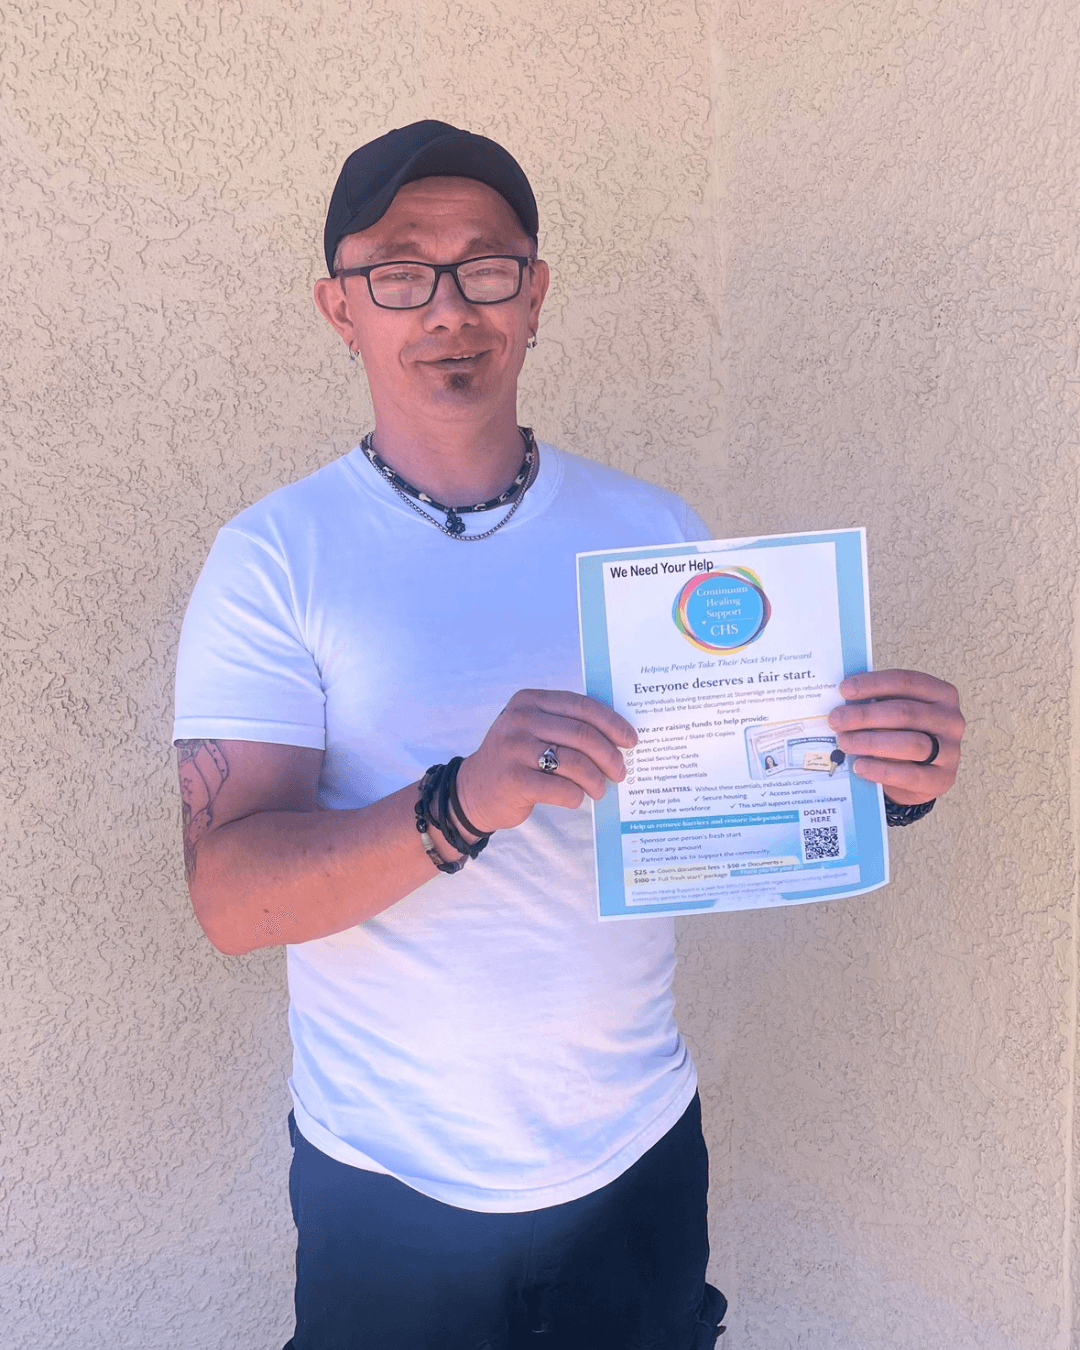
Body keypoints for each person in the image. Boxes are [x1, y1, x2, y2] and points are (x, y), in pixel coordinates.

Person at [172, 120, 965, 1350]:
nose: (449, 305)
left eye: (486, 267)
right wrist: (458, 804)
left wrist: (885, 780)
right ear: (341, 309)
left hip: (633, 1158)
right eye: (400, 270)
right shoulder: (274, 557)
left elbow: (736, 792)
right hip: (387, 1182)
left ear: (534, 296)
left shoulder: (654, 532)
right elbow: (231, 898)